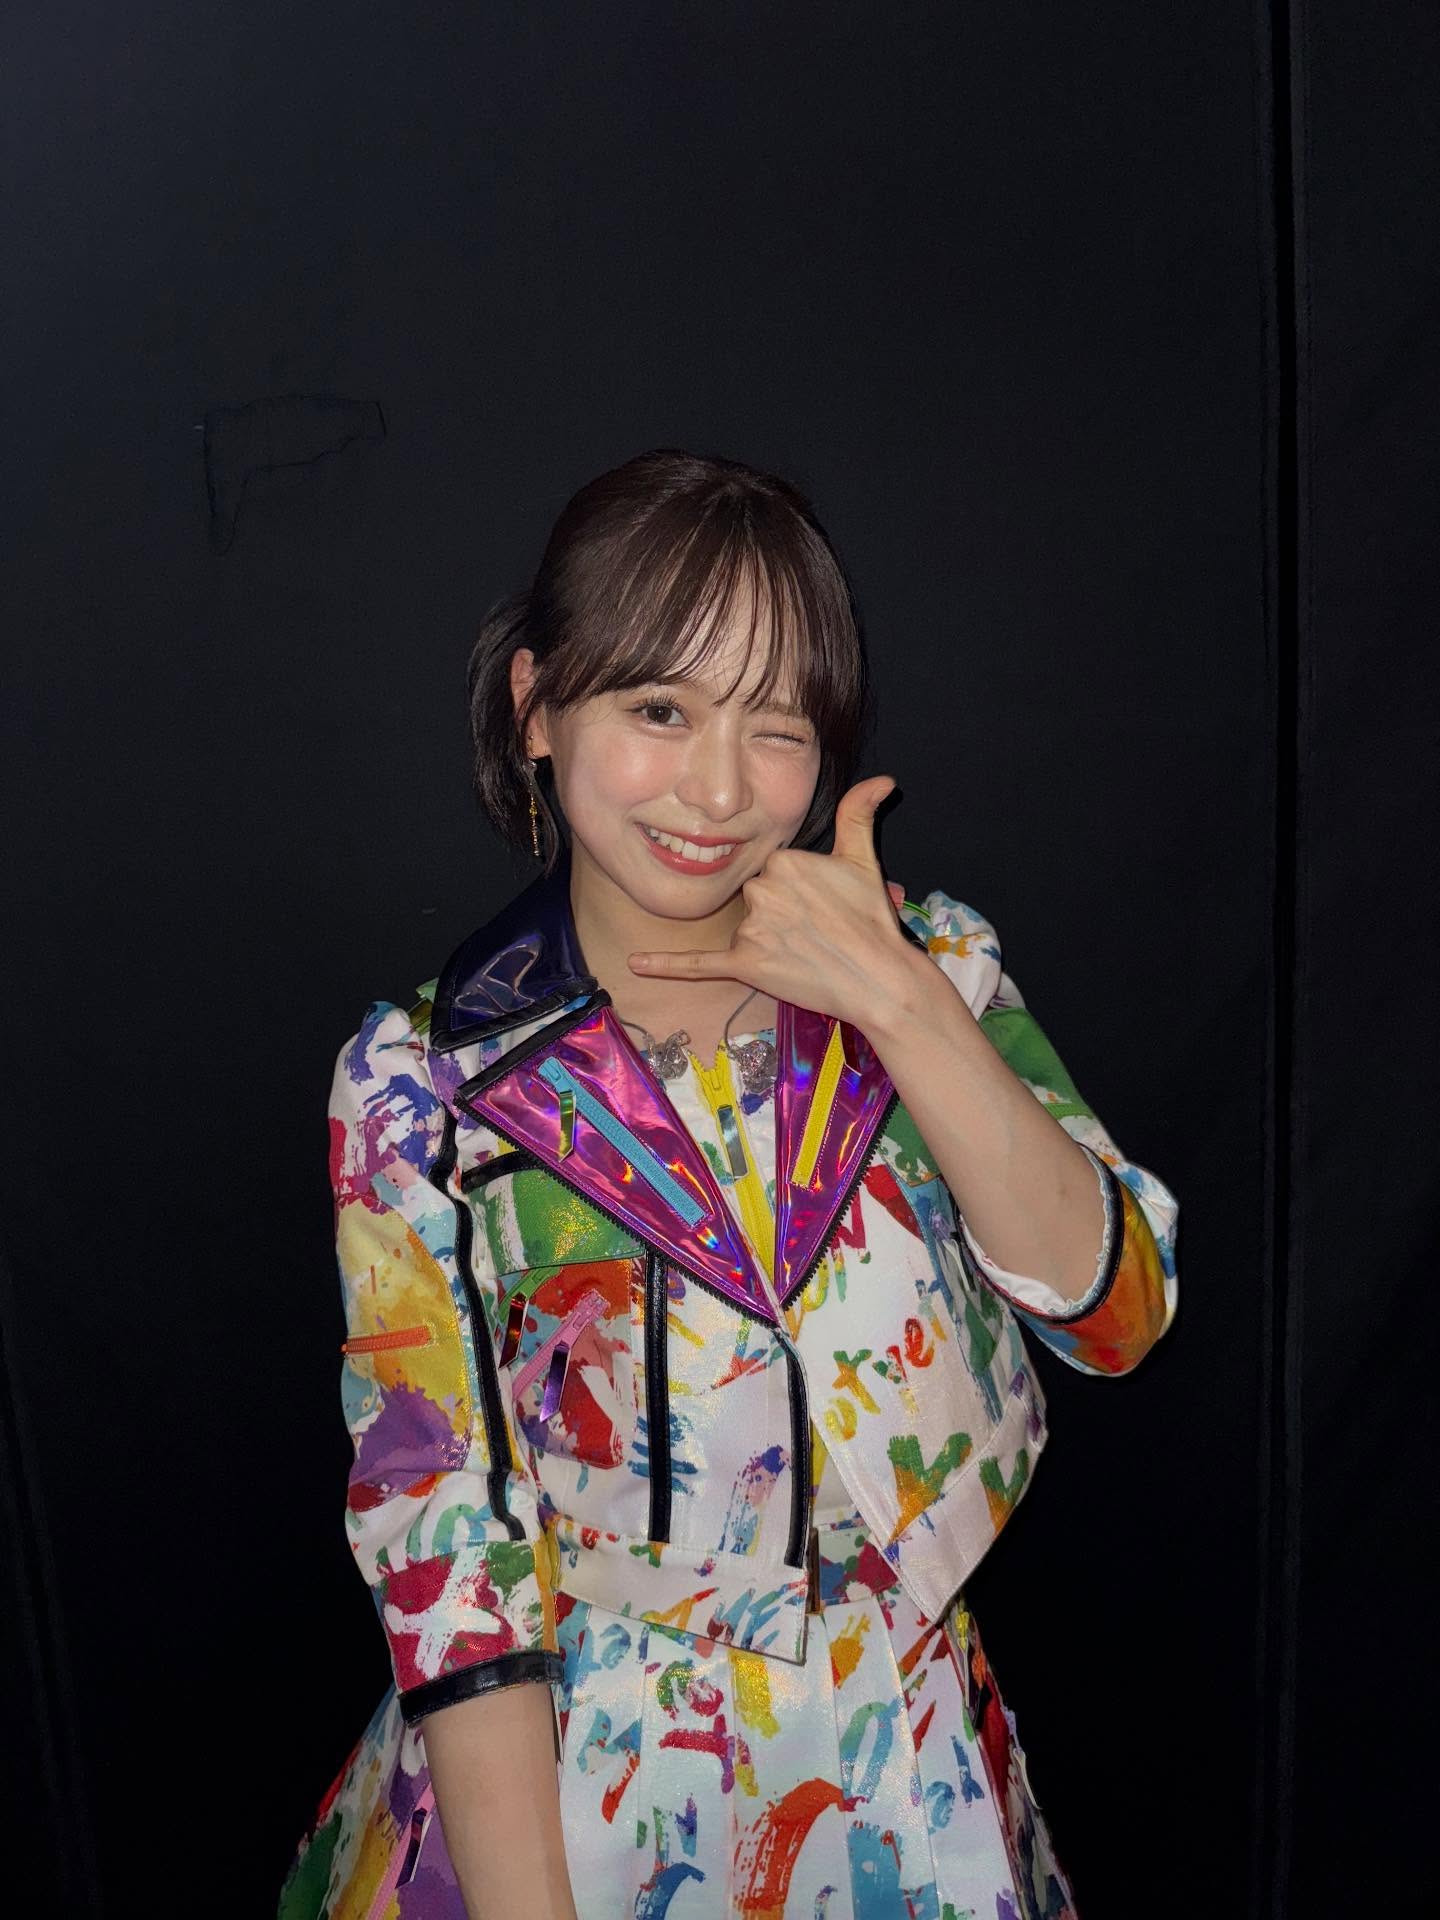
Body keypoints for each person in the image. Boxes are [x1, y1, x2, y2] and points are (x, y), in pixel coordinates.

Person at [278, 448, 1178, 1920]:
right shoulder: (420, 1081)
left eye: (776, 728)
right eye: (659, 710)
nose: (716, 788)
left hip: (906, 1769)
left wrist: (902, 1006)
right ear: (536, 707)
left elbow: (1121, 1319)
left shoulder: (935, 967)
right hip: (576, 1787)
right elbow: (445, 1555)